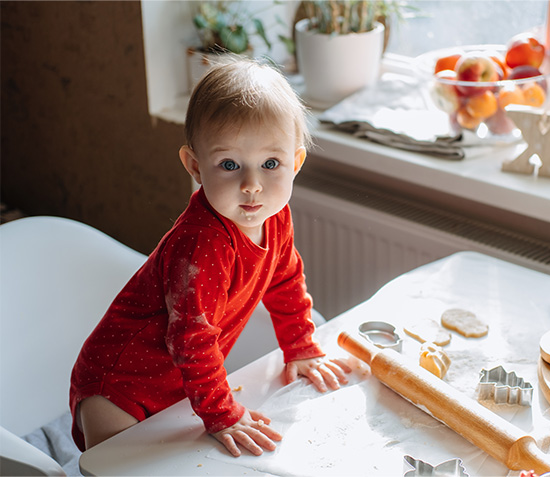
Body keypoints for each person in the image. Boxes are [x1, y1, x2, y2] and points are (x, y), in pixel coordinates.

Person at [69, 57, 351, 458]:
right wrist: (224, 415)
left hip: (178, 384)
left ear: (296, 162)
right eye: (229, 165)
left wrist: (300, 346)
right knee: (115, 467)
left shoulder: (275, 215)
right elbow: (192, 340)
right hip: (119, 389)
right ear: (196, 167)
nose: (252, 186)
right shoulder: (203, 244)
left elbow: (285, 280)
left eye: (270, 164)